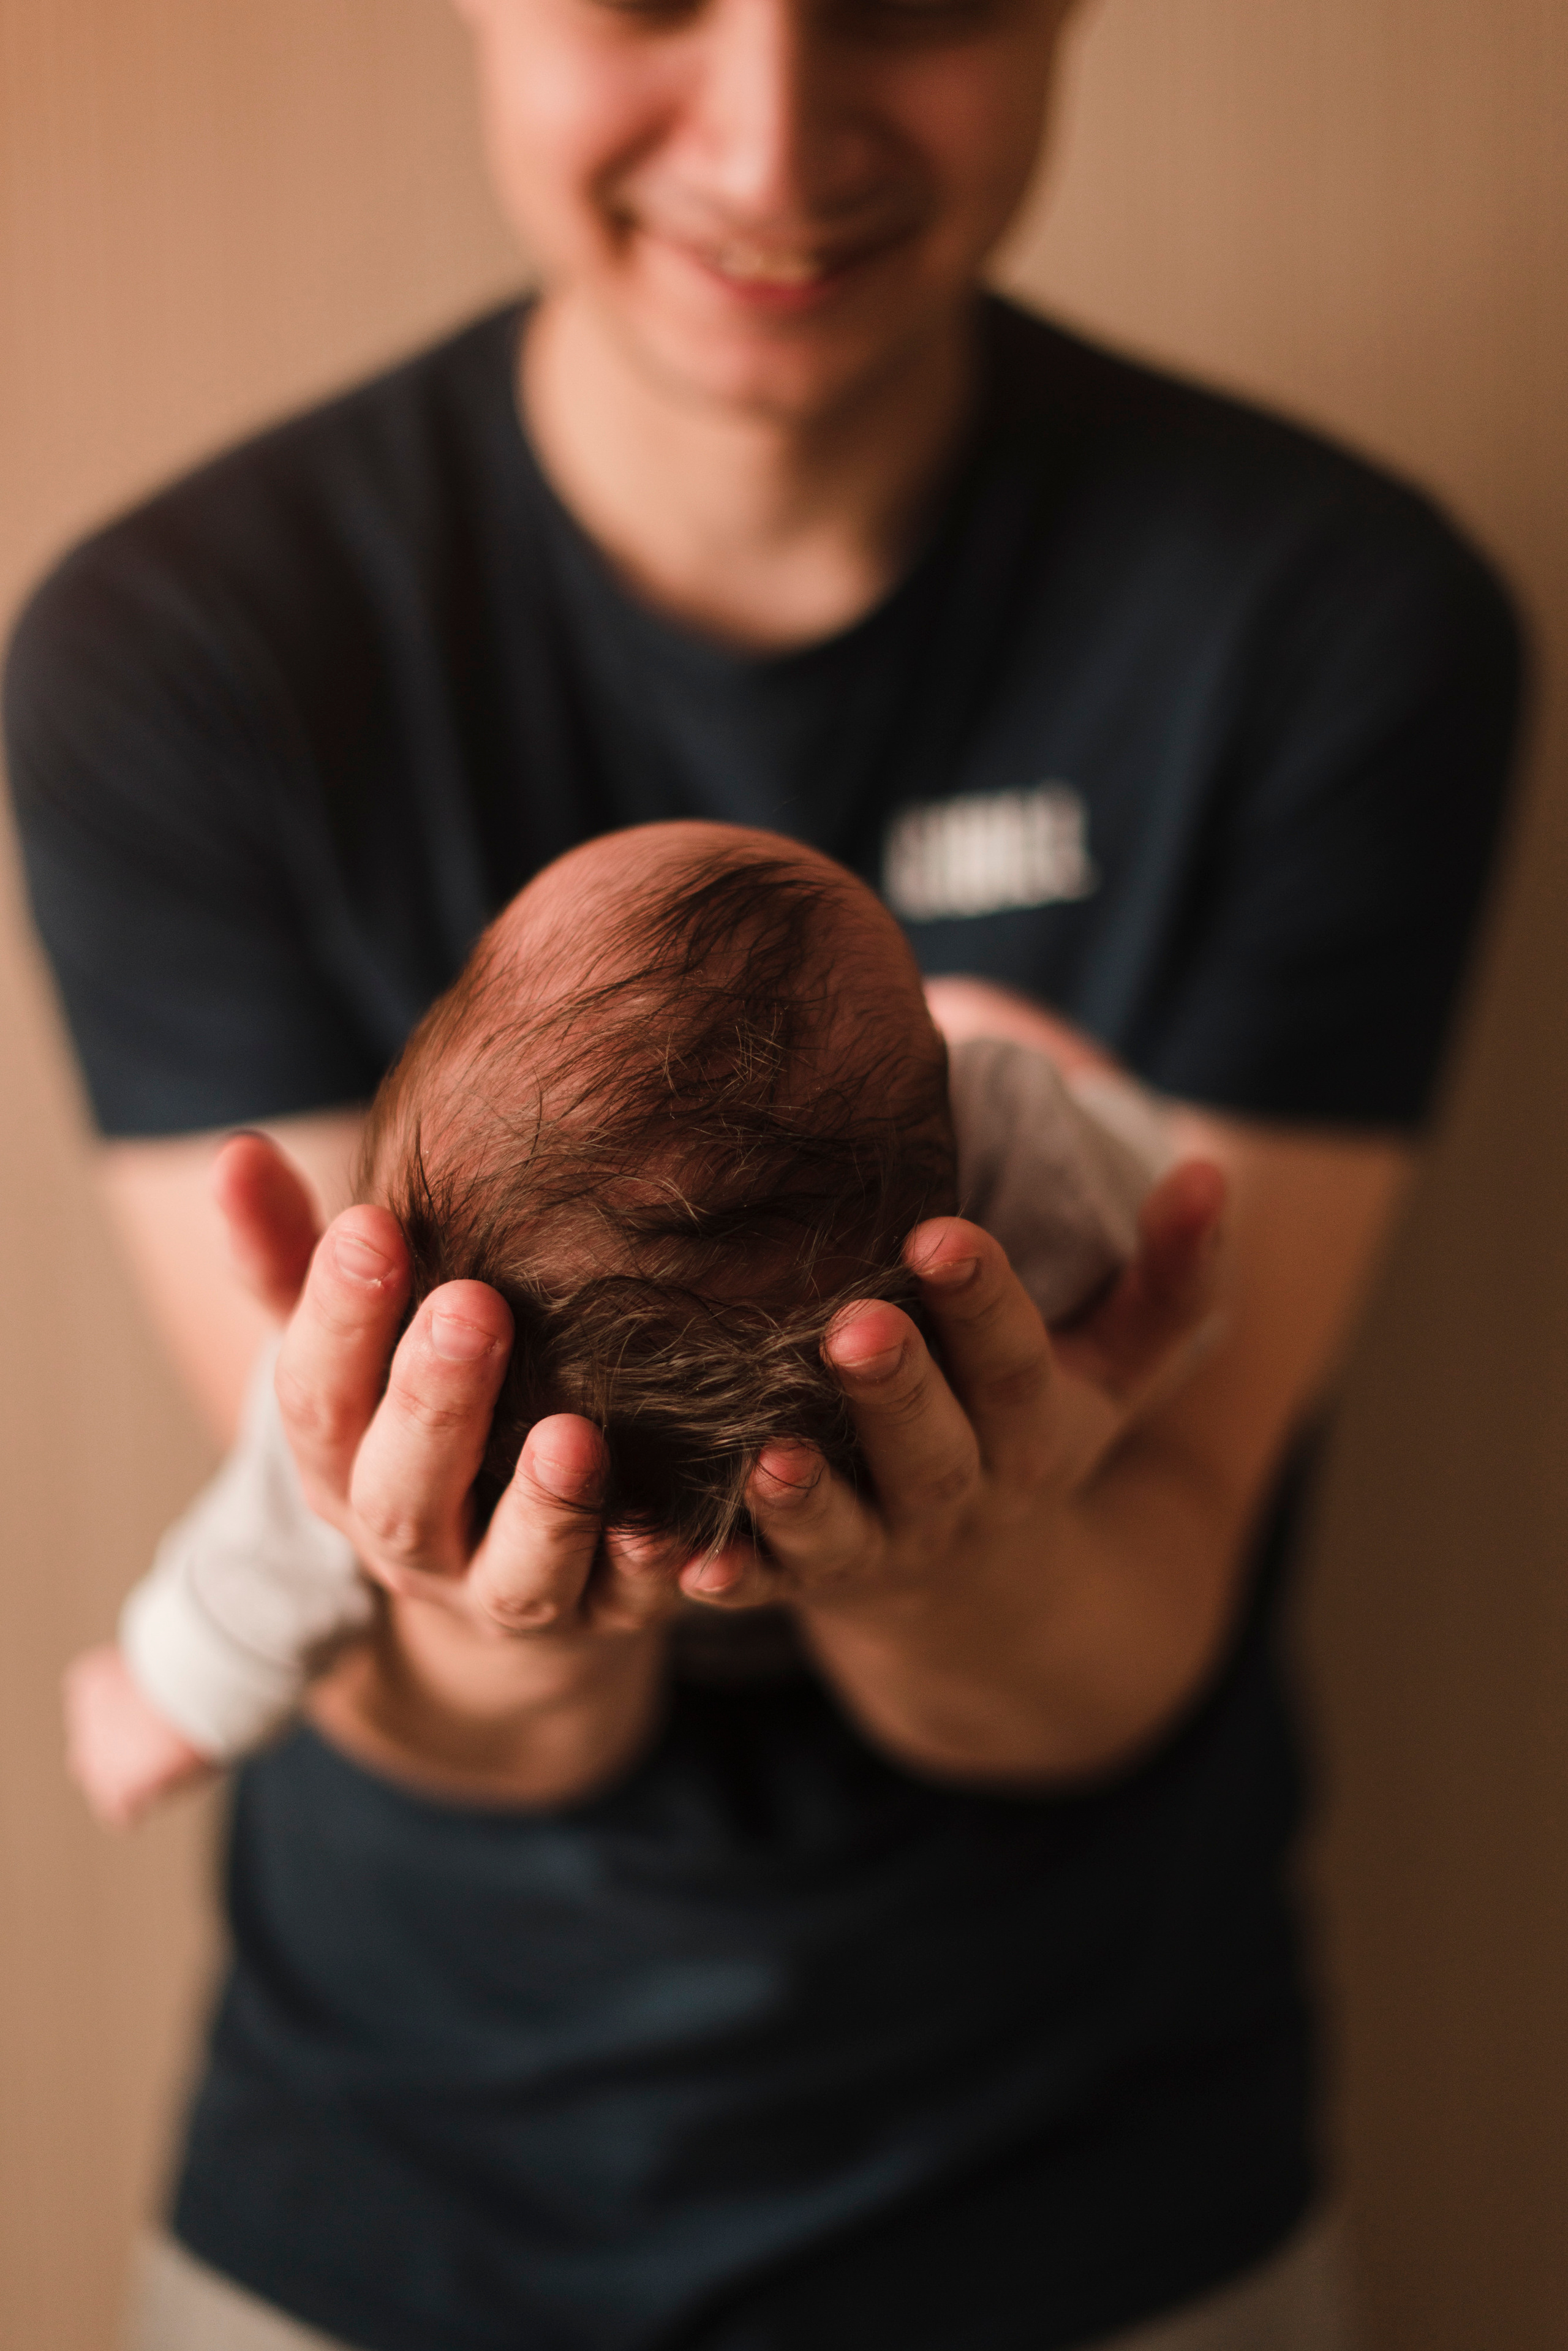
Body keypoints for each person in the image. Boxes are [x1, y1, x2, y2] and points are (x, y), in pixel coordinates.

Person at [1, 0, 1523, 2339]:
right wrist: (468, 1616)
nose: (772, 134)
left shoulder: (1333, 625)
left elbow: (1152, 1514)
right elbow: (327, 1507)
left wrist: (958, 1570)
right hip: (392, 2208)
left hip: (1104, 2199)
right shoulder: (179, 653)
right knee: (313, 1489)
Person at [62, 822, 1175, 1827]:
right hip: (955, 1742)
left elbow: (283, 1515)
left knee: (339, 1465)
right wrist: (1020, 1061)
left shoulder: (435, 1319)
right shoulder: (1007, 1138)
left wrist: (180, 1683)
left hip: (520, 1787)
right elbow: (1143, 1188)